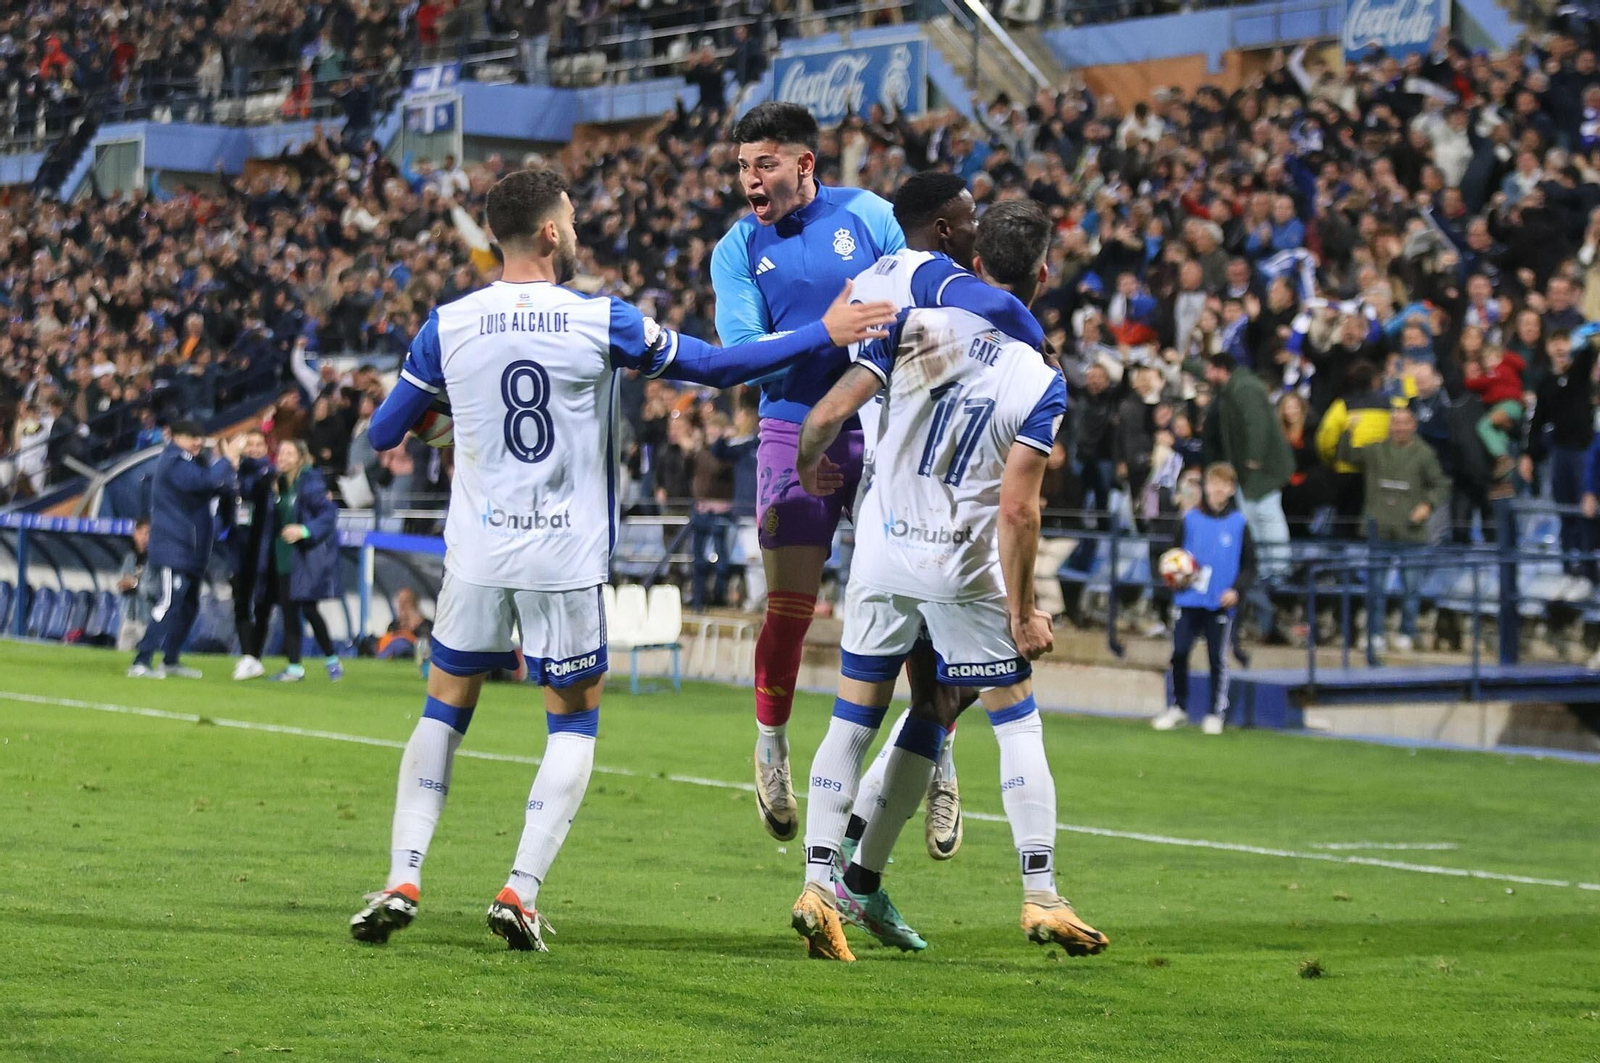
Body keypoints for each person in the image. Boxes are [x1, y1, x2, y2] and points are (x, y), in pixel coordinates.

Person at [348, 167, 897, 952]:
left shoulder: (449, 323)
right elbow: (718, 367)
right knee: (572, 723)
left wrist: (450, 432)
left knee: (444, 707)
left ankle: (404, 873)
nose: (575, 233)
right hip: (564, 557)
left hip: (477, 553)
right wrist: (826, 331)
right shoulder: (598, 319)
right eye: (569, 220)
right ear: (547, 232)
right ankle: (520, 888)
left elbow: (382, 433)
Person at [788, 200, 1108, 963]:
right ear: (1040, 275)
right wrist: (1026, 611)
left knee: (851, 720)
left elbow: (825, 416)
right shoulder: (1040, 378)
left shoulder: (908, 323)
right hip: (962, 569)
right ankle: (1040, 891)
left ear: (973, 261)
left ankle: (818, 883)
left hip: (883, 555)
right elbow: (1019, 510)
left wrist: (809, 465)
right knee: (1017, 720)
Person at [833, 170, 1049, 872]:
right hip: (942, 522)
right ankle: (860, 858)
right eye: (968, 212)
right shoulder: (952, 295)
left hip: (880, 510)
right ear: (951, 232)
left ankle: (842, 863)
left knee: (898, 699)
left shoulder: (866, 288)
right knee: (950, 694)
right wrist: (1038, 357)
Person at [710, 102, 907, 842]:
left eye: (761, 162)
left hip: (880, 417)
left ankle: (933, 750)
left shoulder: (869, 214)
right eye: (740, 165)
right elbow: (741, 351)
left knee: (911, 596)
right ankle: (769, 743)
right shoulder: (735, 249)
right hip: (790, 420)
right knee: (789, 608)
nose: (748, 178)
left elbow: (911, 304)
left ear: (803, 164)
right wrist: (826, 329)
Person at [129, 422, 244, 678]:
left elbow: (216, 485)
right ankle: (141, 660)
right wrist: (228, 459)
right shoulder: (174, 461)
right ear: (176, 438)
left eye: (199, 437)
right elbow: (207, 481)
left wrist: (230, 472)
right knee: (170, 603)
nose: (197, 442)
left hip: (192, 549)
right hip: (175, 547)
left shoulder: (191, 462)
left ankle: (170, 660)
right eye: (191, 437)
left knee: (189, 606)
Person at [1152, 462, 1256, 735]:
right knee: (1179, 653)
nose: (1218, 489)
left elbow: (1250, 565)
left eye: (1225, 485)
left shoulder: (1239, 524)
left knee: (1216, 658)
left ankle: (1214, 713)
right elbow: (1172, 555)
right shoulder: (1189, 519)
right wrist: (1174, 577)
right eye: (1214, 483)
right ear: (1206, 486)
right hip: (1187, 599)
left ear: (1232, 489)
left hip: (1219, 602)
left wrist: (1236, 591)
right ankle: (1178, 707)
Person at [1339, 407, 1451, 653]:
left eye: (1404, 423)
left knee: (1411, 589)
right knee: (1375, 588)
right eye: (1395, 423)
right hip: (1379, 530)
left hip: (1412, 534)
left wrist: (1427, 504)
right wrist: (1347, 430)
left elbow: (1442, 484)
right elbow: (1346, 455)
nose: (1399, 428)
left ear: (1413, 425)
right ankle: (1375, 633)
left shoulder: (1424, 453)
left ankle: (1407, 634)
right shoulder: (1376, 450)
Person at [1200, 353, 1290, 639]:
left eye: (1209, 370)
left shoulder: (1245, 387)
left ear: (1220, 369)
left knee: (1266, 522)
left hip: (1256, 475)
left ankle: (1277, 572)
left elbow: (1256, 423)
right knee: (1252, 531)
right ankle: (1269, 576)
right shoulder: (1230, 389)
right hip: (1245, 477)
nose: (1206, 375)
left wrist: (1253, 456)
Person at [1521, 329, 1599, 598]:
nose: (1560, 348)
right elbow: (1537, 420)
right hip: (1560, 455)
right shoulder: (1545, 382)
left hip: (1584, 452)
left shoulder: (1580, 373)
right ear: (1549, 347)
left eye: (1564, 343)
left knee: (1585, 514)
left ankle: (1589, 574)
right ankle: (1569, 571)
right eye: (1555, 343)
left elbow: (1589, 352)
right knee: (1565, 515)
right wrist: (1528, 454)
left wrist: (1581, 338)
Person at [262, 439, 343, 683]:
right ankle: (294, 667)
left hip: (303, 556)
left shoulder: (309, 481)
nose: (283, 457)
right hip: (282, 555)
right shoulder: (277, 483)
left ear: (300, 457)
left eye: (289, 453)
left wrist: (305, 530)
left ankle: (331, 660)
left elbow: (329, 512)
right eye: (281, 452)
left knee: (308, 609)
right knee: (288, 611)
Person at [227, 430, 275, 681]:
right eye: (251, 444)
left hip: (266, 551)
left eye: (259, 444)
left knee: (263, 607)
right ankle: (249, 656)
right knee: (241, 603)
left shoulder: (271, 475)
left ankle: (254, 657)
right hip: (241, 549)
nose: (255, 449)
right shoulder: (234, 474)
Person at [114, 519, 157, 653]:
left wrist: (135, 584)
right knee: (121, 654)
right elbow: (122, 583)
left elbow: (156, 589)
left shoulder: (157, 560)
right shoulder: (130, 558)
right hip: (129, 616)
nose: (144, 537)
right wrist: (126, 584)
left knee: (148, 657)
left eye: (148, 534)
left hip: (148, 618)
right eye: (141, 533)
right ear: (135, 535)